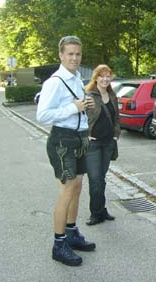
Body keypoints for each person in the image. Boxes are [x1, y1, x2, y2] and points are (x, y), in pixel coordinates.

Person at [36, 36, 96, 266]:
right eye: (70, 54)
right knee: (67, 190)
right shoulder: (55, 81)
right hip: (63, 141)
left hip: (79, 139)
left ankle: (71, 232)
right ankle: (59, 244)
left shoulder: (77, 78)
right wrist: (73, 108)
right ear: (61, 55)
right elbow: (43, 115)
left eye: (78, 54)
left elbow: (75, 108)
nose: (74, 58)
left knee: (78, 187)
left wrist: (84, 106)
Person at [84, 64, 121, 226]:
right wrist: (86, 134)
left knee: (102, 179)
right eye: (102, 76)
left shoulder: (112, 95)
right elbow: (80, 117)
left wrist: (116, 135)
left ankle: (101, 209)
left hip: (108, 143)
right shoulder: (89, 95)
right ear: (96, 77)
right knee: (95, 179)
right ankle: (96, 213)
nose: (105, 79)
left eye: (108, 76)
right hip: (93, 144)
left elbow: (117, 118)